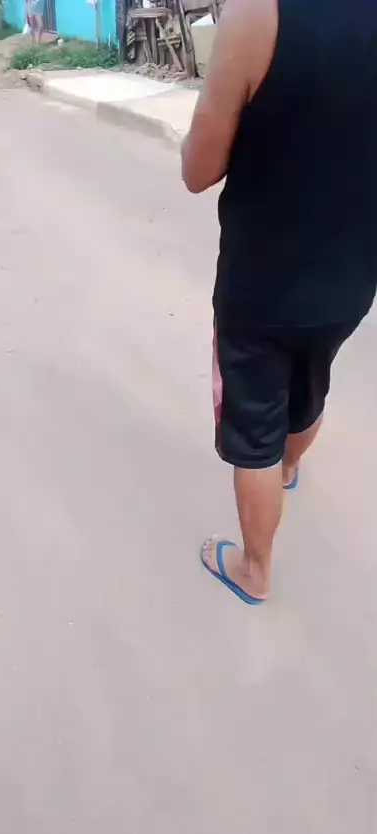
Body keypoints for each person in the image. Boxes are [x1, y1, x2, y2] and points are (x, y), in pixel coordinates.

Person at [181, 0, 377, 604]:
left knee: (254, 429)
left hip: (260, 285)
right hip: (352, 279)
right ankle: (290, 467)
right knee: (310, 383)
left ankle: (255, 570)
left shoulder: (255, 16)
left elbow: (197, 170)